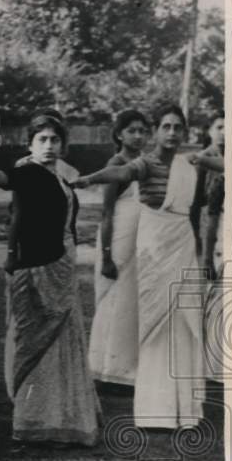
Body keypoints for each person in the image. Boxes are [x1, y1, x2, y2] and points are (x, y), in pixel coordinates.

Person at [0, 114, 101, 448]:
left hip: (61, 265)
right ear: (30, 144)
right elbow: (2, 179)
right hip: (33, 266)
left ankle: (63, 417)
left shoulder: (61, 176)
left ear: (63, 145)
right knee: (31, 342)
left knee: (61, 342)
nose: (49, 146)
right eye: (42, 140)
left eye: (55, 140)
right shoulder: (27, 171)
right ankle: (32, 418)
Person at [73, 105, 205, 430]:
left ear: (184, 132)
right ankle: (156, 410)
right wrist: (88, 178)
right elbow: (119, 174)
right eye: (166, 127)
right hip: (154, 252)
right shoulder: (144, 163)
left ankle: (185, 409)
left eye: (178, 127)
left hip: (183, 247)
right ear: (157, 131)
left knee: (184, 323)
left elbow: (194, 212)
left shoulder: (189, 166)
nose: (172, 133)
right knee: (153, 326)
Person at [87, 110, 150, 388]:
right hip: (118, 240)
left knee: (130, 303)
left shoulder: (145, 164)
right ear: (119, 134)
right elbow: (108, 212)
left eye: (142, 131)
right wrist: (107, 256)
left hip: (139, 242)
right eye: (132, 130)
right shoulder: (116, 163)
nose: (138, 136)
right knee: (113, 302)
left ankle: (125, 370)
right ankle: (104, 369)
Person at [190, 110, 227, 382]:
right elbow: (202, 203)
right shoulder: (205, 159)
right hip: (212, 221)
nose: (224, 132)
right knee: (214, 294)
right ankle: (213, 361)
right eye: (219, 126)